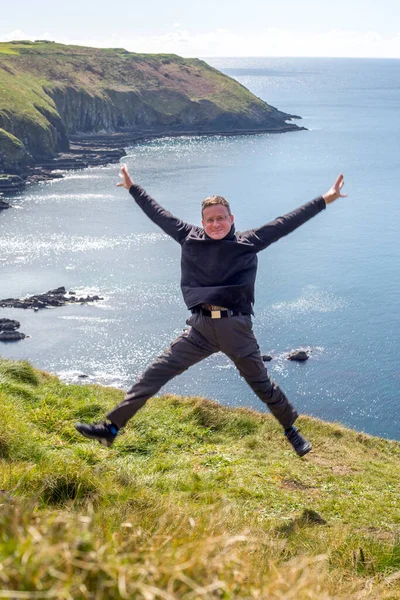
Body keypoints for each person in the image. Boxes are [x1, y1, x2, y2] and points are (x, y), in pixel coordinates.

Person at [76, 166, 346, 456]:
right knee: (155, 373)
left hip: (235, 329)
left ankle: (291, 431)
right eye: (210, 220)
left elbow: (286, 222)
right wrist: (133, 188)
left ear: (232, 220)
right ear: (202, 222)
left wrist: (326, 199)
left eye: (221, 218)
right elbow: (158, 213)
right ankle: (111, 428)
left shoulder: (248, 242)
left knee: (261, 385)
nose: (216, 224)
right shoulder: (188, 236)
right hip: (200, 328)